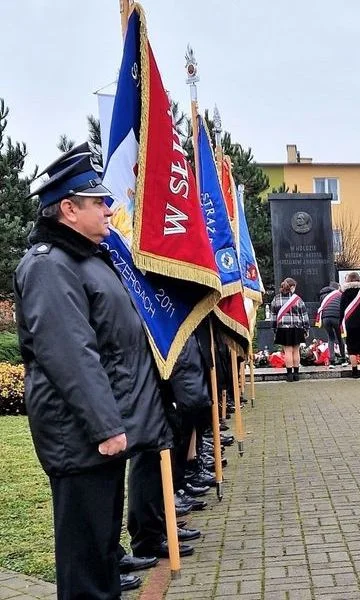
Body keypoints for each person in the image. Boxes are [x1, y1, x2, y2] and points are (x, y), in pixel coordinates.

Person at [14, 143, 172, 598]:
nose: (108, 209)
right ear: (68, 208)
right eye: (97, 201)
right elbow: (70, 353)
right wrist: (105, 426)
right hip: (80, 436)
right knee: (86, 566)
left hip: (97, 436)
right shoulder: (50, 266)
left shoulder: (83, 260)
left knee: (102, 556)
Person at [271, 277, 309, 382]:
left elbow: (273, 316)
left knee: (287, 350)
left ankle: (289, 375)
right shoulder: (298, 299)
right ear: (292, 287)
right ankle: (296, 374)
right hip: (297, 328)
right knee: (296, 350)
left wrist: (274, 329)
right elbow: (304, 315)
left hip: (283, 328)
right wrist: (306, 328)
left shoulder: (276, 299)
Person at [340, 272, 360, 378]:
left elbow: (342, 310)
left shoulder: (344, 294)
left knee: (352, 347)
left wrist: (341, 323)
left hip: (350, 324)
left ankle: (354, 371)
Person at [317, 282, 345, 366]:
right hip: (336, 317)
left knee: (331, 338)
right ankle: (343, 358)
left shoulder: (323, 296)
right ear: (337, 288)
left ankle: (331, 360)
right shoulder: (339, 294)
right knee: (340, 337)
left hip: (325, 318)